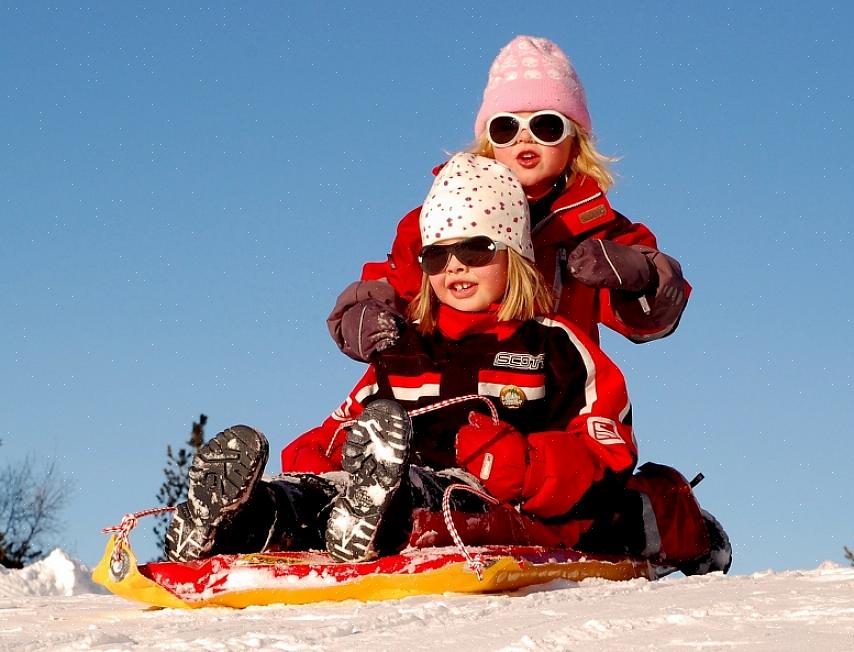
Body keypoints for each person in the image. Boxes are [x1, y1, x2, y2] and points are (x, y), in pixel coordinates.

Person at [165, 154, 729, 574]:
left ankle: (371, 511)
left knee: (429, 501)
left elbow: (607, 455)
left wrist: (524, 464)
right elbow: (338, 426)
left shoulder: (556, 345)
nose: (455, 265)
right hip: (383, 485)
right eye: (437, 254)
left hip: (488, 501)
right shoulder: (406, 348)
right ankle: (241, 518)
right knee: (317, 497)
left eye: (477, 249)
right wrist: (324, 455)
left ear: (515, 257)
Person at [328, 35, 690, 365]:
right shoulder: (445, 216)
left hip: (556, 389)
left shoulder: (599, 229)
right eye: (507, 127)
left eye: (546, 126)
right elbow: (399, 279)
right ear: (489, 140)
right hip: (455, 380)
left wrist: (640, 277)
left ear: (575, 140)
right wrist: (365, 312)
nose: (524, 138)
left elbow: (650, 321)